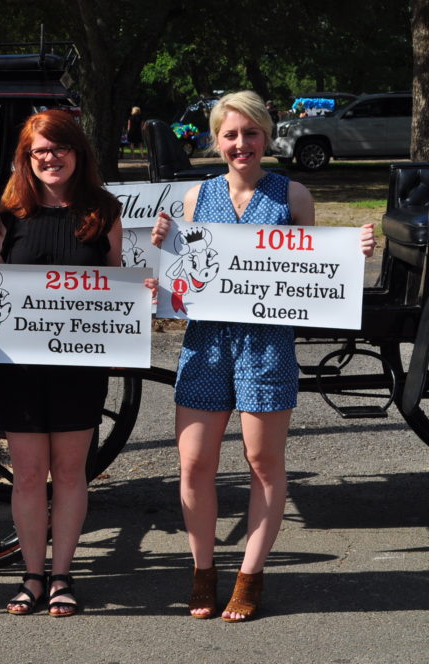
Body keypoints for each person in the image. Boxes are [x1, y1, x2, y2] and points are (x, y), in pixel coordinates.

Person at [150, 91, 375, 622]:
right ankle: (203, 570)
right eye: (230, 134)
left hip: (265, 343)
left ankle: (250, 576)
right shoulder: (194, 199)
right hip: (206, 344)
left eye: (251, 133)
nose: (241, 144)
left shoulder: (292, 194)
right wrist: (164, 249)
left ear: (266, 135)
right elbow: (179, 280)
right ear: (216, 140)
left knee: (264, 462)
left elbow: (314, 272)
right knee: (195, 462)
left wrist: (350, 253)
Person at [0, 109, 123, 617]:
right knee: (26, 476)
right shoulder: (11, 212)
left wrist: (141, 293)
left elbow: (116, 283)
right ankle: (31, 575)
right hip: (19, 367)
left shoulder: (103, 211)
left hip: (80, 366)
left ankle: (63, 575)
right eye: (39, 151)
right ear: (26, 158)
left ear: (77, 153)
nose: (50, 158)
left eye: (59, 148)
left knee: (70, 474)